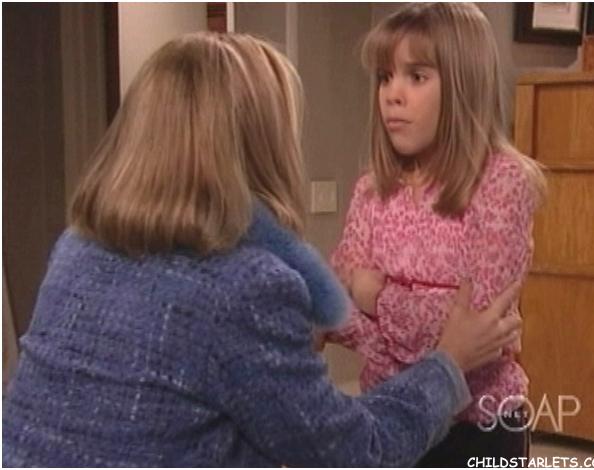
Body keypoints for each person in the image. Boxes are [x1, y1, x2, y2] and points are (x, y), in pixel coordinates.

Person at [2, 32, 521, 467]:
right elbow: (353, 452)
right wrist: (449, 361)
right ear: (259, 144)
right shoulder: (245, 286)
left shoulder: (76, 249)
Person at [325, 3, 546, 467]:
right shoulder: (372, 189)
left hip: (477, 428)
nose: (393, 95)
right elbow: (333, 305)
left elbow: (476, 330)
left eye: (416, 76)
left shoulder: (502, 183)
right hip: (388, 420)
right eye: (385, 77)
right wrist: (424, 325)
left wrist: (375, 295)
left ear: (463, 85)